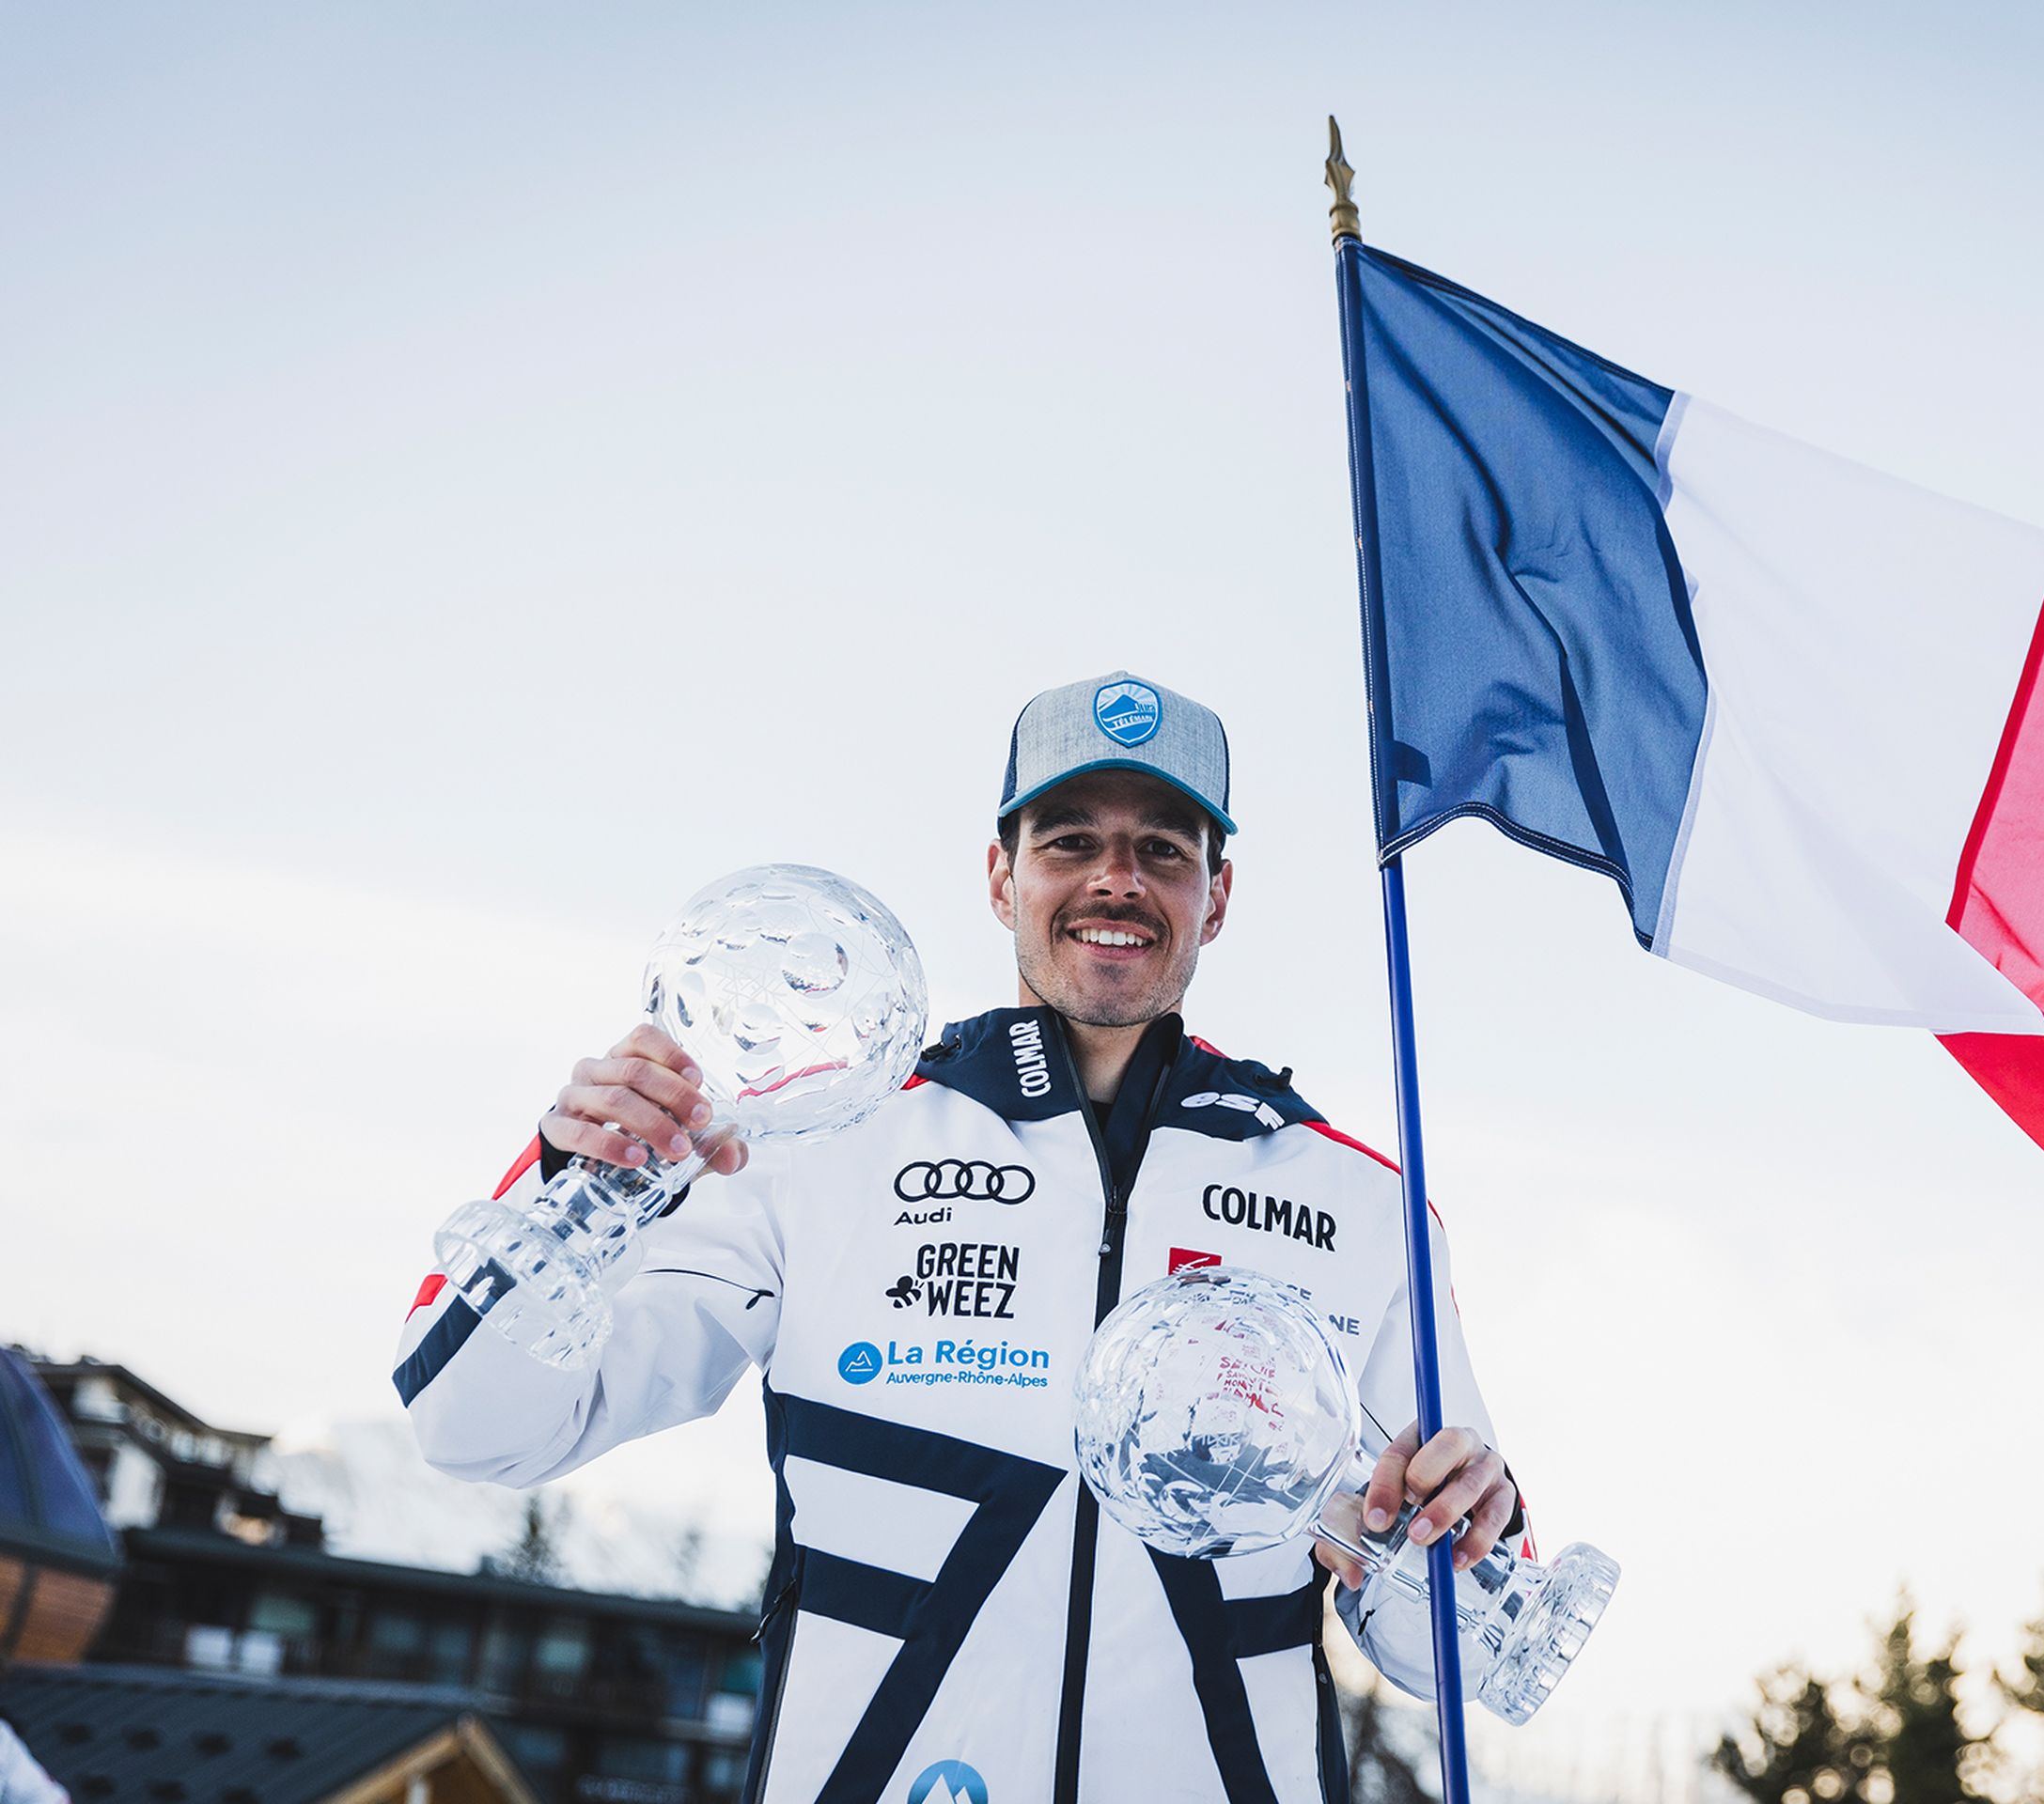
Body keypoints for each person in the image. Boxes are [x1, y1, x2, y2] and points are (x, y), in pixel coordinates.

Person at [394, 671, 1524, 1804]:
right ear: (1003, 878)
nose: (1115, 880)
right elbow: (476, 1428)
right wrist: (574, 1197)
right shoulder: (807, 1142)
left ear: (1216, 896)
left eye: (1163, 850)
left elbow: (1456, 1652)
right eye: (1070, 840)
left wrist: (1466, 1533)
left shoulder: (1365, 1206)